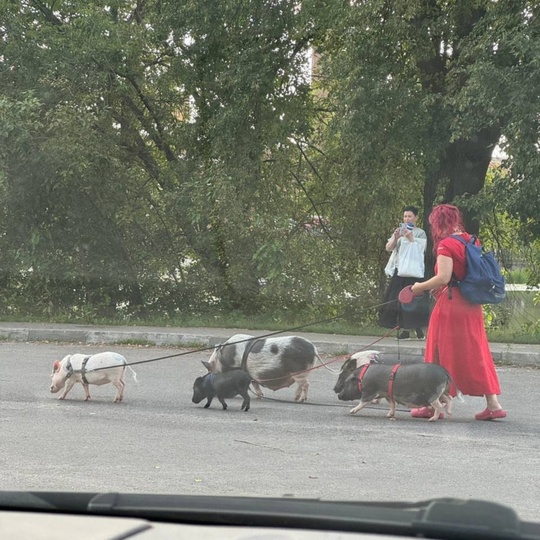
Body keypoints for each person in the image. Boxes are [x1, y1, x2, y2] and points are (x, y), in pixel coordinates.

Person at [410, 204, 507, 421]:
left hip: (451, 305)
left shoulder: (446, 245)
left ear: (438, 223)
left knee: (437, 351)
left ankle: (430, 404)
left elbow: (444, 278)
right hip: (472, 305)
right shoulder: (471, 240)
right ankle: (493, 404)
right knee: (477, 351)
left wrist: (419, 287)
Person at [378, 206, 430, 339]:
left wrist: (410, 237)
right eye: (405, 216)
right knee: (398, 299)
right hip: (400, 270)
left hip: (414, 272)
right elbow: (388, 248)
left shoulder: (420, 233)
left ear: (416, 218)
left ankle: (418, 328)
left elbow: (421, 249)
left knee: (414, 300)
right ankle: (404, 330)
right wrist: (395, 238)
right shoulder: (400, 231)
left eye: (410, 216)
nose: (407, 219)